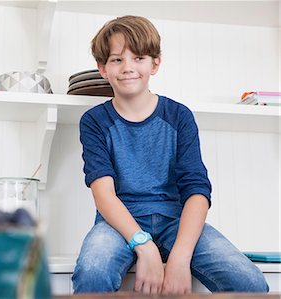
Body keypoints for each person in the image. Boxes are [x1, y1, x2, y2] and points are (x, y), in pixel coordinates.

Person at [71, 15, 269, 295]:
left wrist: (179, 257)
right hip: (118, 225)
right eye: (116, 60)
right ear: (102, 68)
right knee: (92, 272)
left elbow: (197, 190)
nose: (128, 68)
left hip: (177, 222)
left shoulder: (179, 116)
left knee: (250, 282)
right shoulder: (94, 121)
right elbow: (104, 195)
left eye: (138, 57)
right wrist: (145, 247)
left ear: (155, 63)